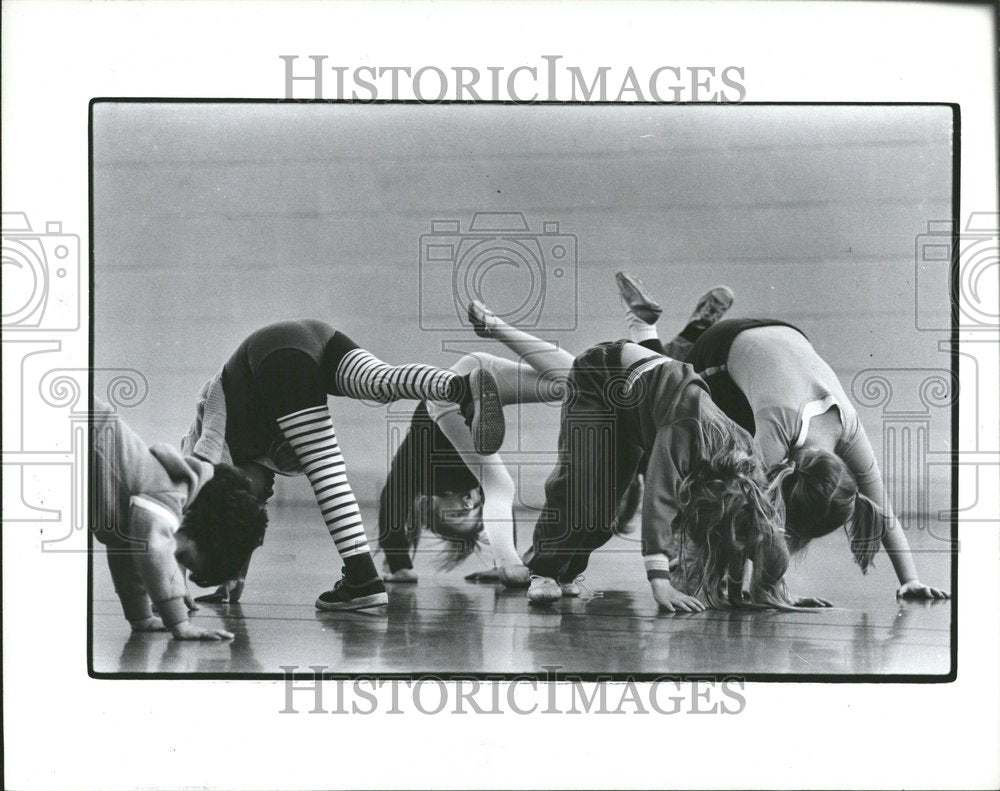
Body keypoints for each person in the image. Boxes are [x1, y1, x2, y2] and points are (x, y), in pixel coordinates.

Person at [618, 271, 950, 600]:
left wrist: (910, 580)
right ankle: (645, 326)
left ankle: (695, 329)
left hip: (777, 335)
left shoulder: (849, 431)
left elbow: (883, 512)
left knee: (716, 442)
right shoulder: (775, 435)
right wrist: (759, 588)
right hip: (722, 352)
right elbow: (745, 514)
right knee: (667, 397)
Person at [180, 319, 506, 610]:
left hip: (270, 356)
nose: (267, 492)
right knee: (380, 382)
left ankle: (362, 579)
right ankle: (457, 388)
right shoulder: (252, 470)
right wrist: (236, 575)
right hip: (317, 336)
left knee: (326, 471)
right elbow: (243, 520)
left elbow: (206, 469)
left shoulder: (213, 456)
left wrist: (176, 587)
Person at [90, 398, 267, 640]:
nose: (174, 565)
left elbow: (125, 551)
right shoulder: (166, 491)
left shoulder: (149, 500)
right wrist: (178, 623)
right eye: (183, 557)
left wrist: (140, 617)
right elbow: (153, 549)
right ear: (207, 530)